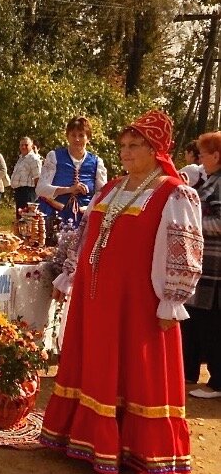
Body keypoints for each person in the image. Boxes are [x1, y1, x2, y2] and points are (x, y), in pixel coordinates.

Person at [40, 110, 204, 474]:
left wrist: (171, 301)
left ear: (156, 149)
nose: (126, 153)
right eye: (123, 146)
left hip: (138, 303)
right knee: (94, 363)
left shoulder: (174, 193)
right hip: (95, 297)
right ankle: (85, 439)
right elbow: (85, 238)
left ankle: (133, 448)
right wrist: (68, 278)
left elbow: (183, 249)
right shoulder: (112, 188)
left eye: (135, 146)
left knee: (135, 370)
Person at [183, 131, 221, 399]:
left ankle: (217, 383)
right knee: (195, 320)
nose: (201, 158)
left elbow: (219, 222)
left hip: (215, 268)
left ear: (216, 156)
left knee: (212, 324)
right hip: (203, 265)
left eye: (204, 154)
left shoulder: (219, 185)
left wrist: (192, 227)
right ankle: (189, 374)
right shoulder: (210, 181)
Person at [36, 116, 107, 226]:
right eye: (73, 135)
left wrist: (88, 208)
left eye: (81, 135)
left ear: (88, 138)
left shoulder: (97, 162)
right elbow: (40, 189)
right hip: (55, 215)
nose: (77, 139)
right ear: (67, 137)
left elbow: (102, 194)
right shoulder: (54, 156)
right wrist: (69, 189)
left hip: (84, 218)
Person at [10, 136, 42, 220]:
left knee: (27, 218)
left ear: (31, 146)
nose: (23, 147)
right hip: (19, 191)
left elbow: (38, 177)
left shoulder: (34, 159)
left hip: (28, 192)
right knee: (20, 218)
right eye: (22, 145)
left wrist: (37, 196)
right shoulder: (21, 158)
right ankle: (21, 233)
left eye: (26, 145)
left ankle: (28, 233)